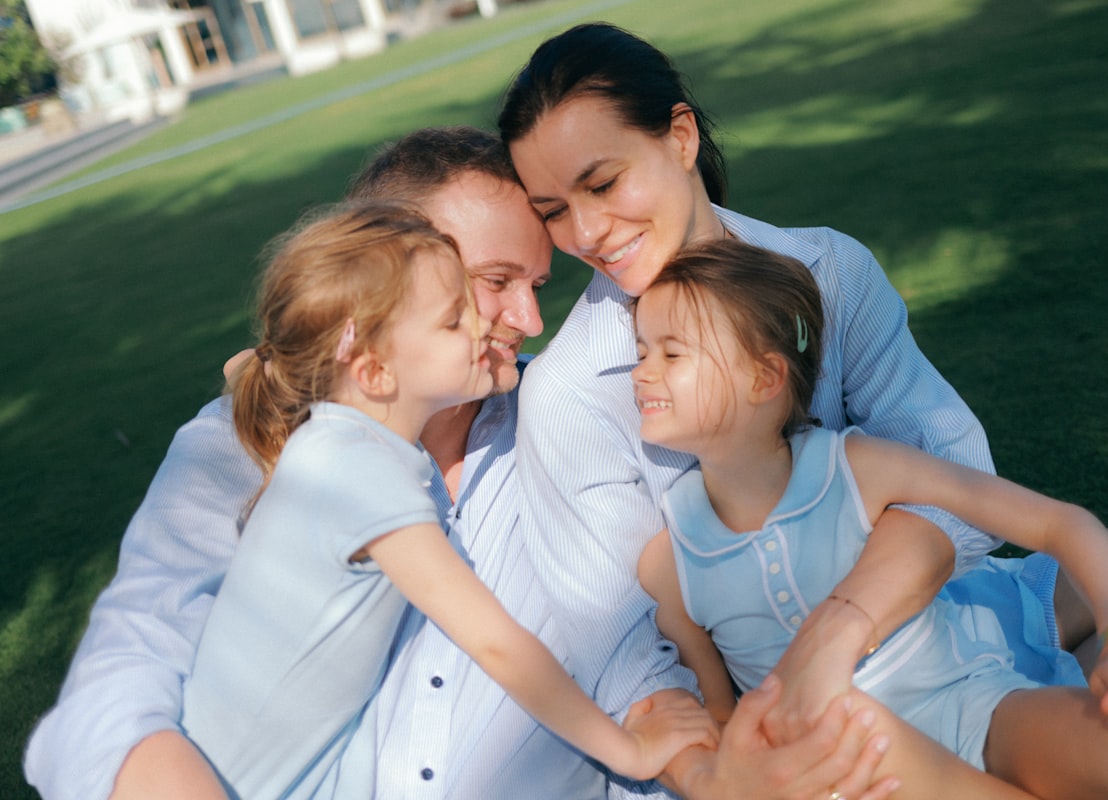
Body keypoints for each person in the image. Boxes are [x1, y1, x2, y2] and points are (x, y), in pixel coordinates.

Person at [25, 128, 897, 800]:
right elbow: (115, 689)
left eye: (537, 286)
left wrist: (708, 766)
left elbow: (640, 637)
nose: (526, 320)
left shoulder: (562, 423)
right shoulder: (240, 443)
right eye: (489, 283)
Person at [496, 21, 1108, 791]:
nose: (586, 232)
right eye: (553, 210)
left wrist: (845, 621)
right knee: (901, 738)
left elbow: (956, 466)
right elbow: (631, 661)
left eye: (602, 184)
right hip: (814, 714)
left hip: (940, 631)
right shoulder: (571, 395)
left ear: (681, 137)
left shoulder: (829, 269)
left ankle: (1052, 745)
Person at [180, 201, 720, 796]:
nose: (482, 330)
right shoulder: (360, 474)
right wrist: (632, 751)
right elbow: (498, 645)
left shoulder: (329, 436)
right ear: (374, 370)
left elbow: (250, 366)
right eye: (450, 321)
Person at [635, 239, 1108, 800]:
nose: (641, 374)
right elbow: (723, 717)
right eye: (640, 352)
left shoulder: (854, 467)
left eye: (671, 354)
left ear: (764, 378)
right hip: (855, 773)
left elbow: (1059, 524)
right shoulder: (669, 563)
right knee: (855, 726)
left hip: (977, 707)